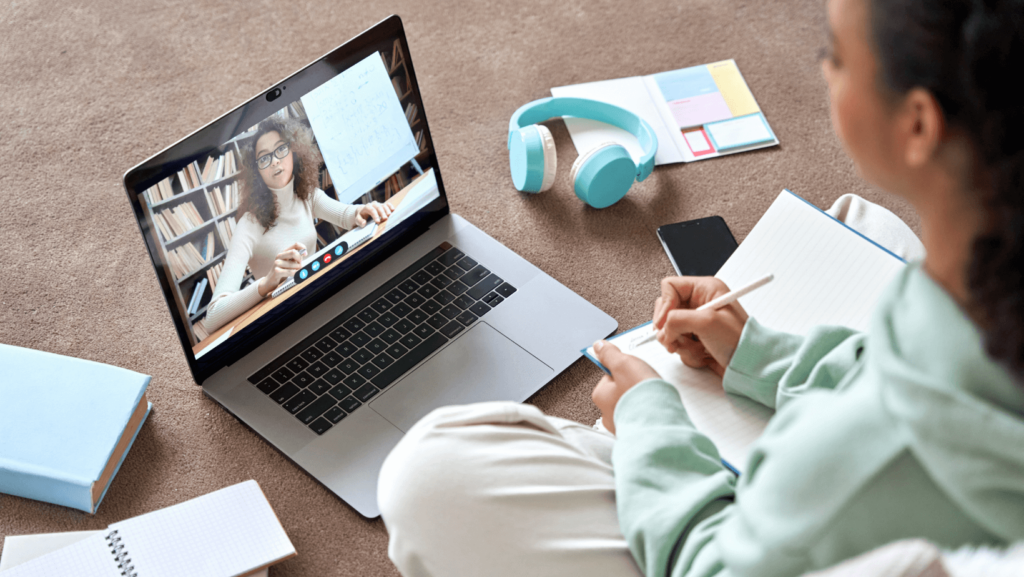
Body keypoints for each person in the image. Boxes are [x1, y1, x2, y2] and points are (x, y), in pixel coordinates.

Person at [375, 0, 1024, 575]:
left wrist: (648, 417)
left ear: (917, 125)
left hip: (767, 539)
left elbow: (714, 561)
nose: (824, 72)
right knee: (864, 225)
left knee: (428, 478)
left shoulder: (866, 459)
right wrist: (761, 353)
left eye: (839, 56)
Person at [204, 116, 393, 333]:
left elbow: (348, 215)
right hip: (286, 321)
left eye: (280, 149)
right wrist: (267, 282)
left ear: (294, 152)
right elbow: (212, 317)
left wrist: (362, 210)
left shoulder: (307, 196)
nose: (274, 161)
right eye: (263, 158)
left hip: (324, 298)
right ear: (258, 172)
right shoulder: (248, 225)